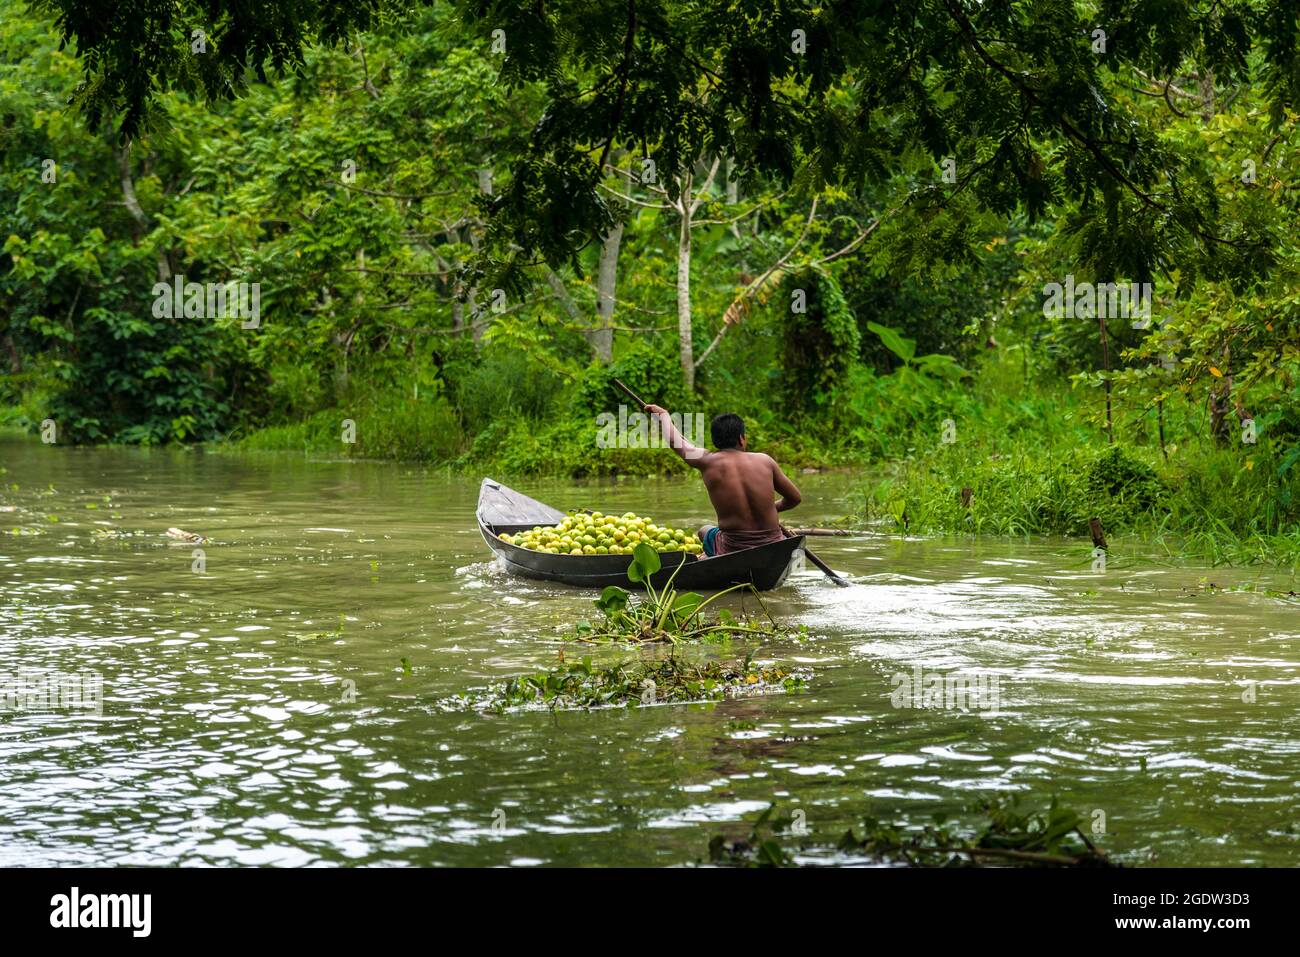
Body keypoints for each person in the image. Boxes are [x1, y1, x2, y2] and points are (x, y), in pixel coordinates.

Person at [643, 404, 801, 557]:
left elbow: (675, 441)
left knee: (704, 530)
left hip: (733, 549)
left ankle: (709, 556)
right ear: (741, 439)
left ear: (715, 441)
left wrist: (663, 415)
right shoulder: (765, 460)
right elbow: (794, 498)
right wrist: (770, 508)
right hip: (773, 544)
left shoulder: (707, 461)